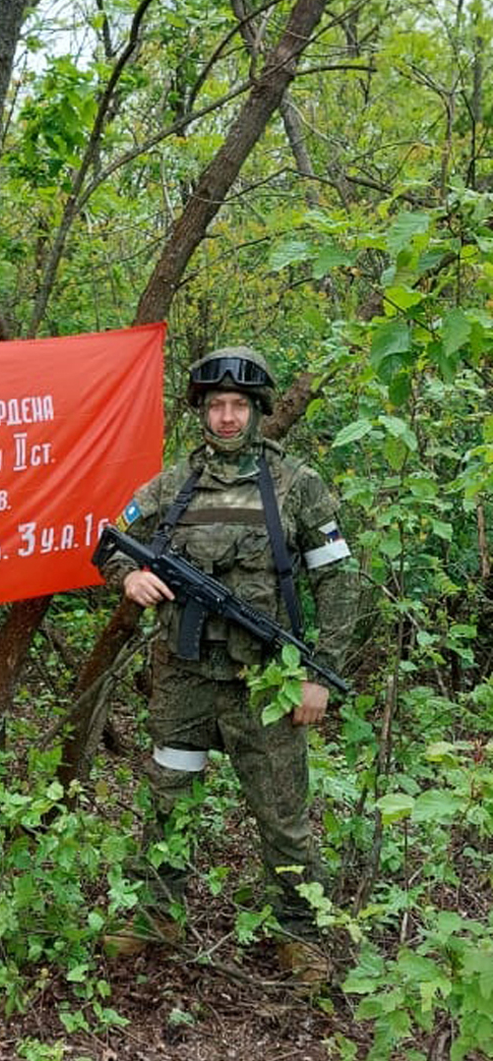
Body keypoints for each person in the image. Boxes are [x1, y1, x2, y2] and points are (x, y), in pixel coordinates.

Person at [97, 345, 357, 974]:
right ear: (203, 411)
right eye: (217, 405)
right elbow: (111, 544)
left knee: (282, 812)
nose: (228, 417)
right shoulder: (173, 485)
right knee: (167, 796)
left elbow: (340, 583)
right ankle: (157, 915)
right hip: (182, 679)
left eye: (239, 405)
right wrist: (129, 578)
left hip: (266, 683)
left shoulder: (297, 486)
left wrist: (320, 675)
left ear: (258, 410)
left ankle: (300, 932)